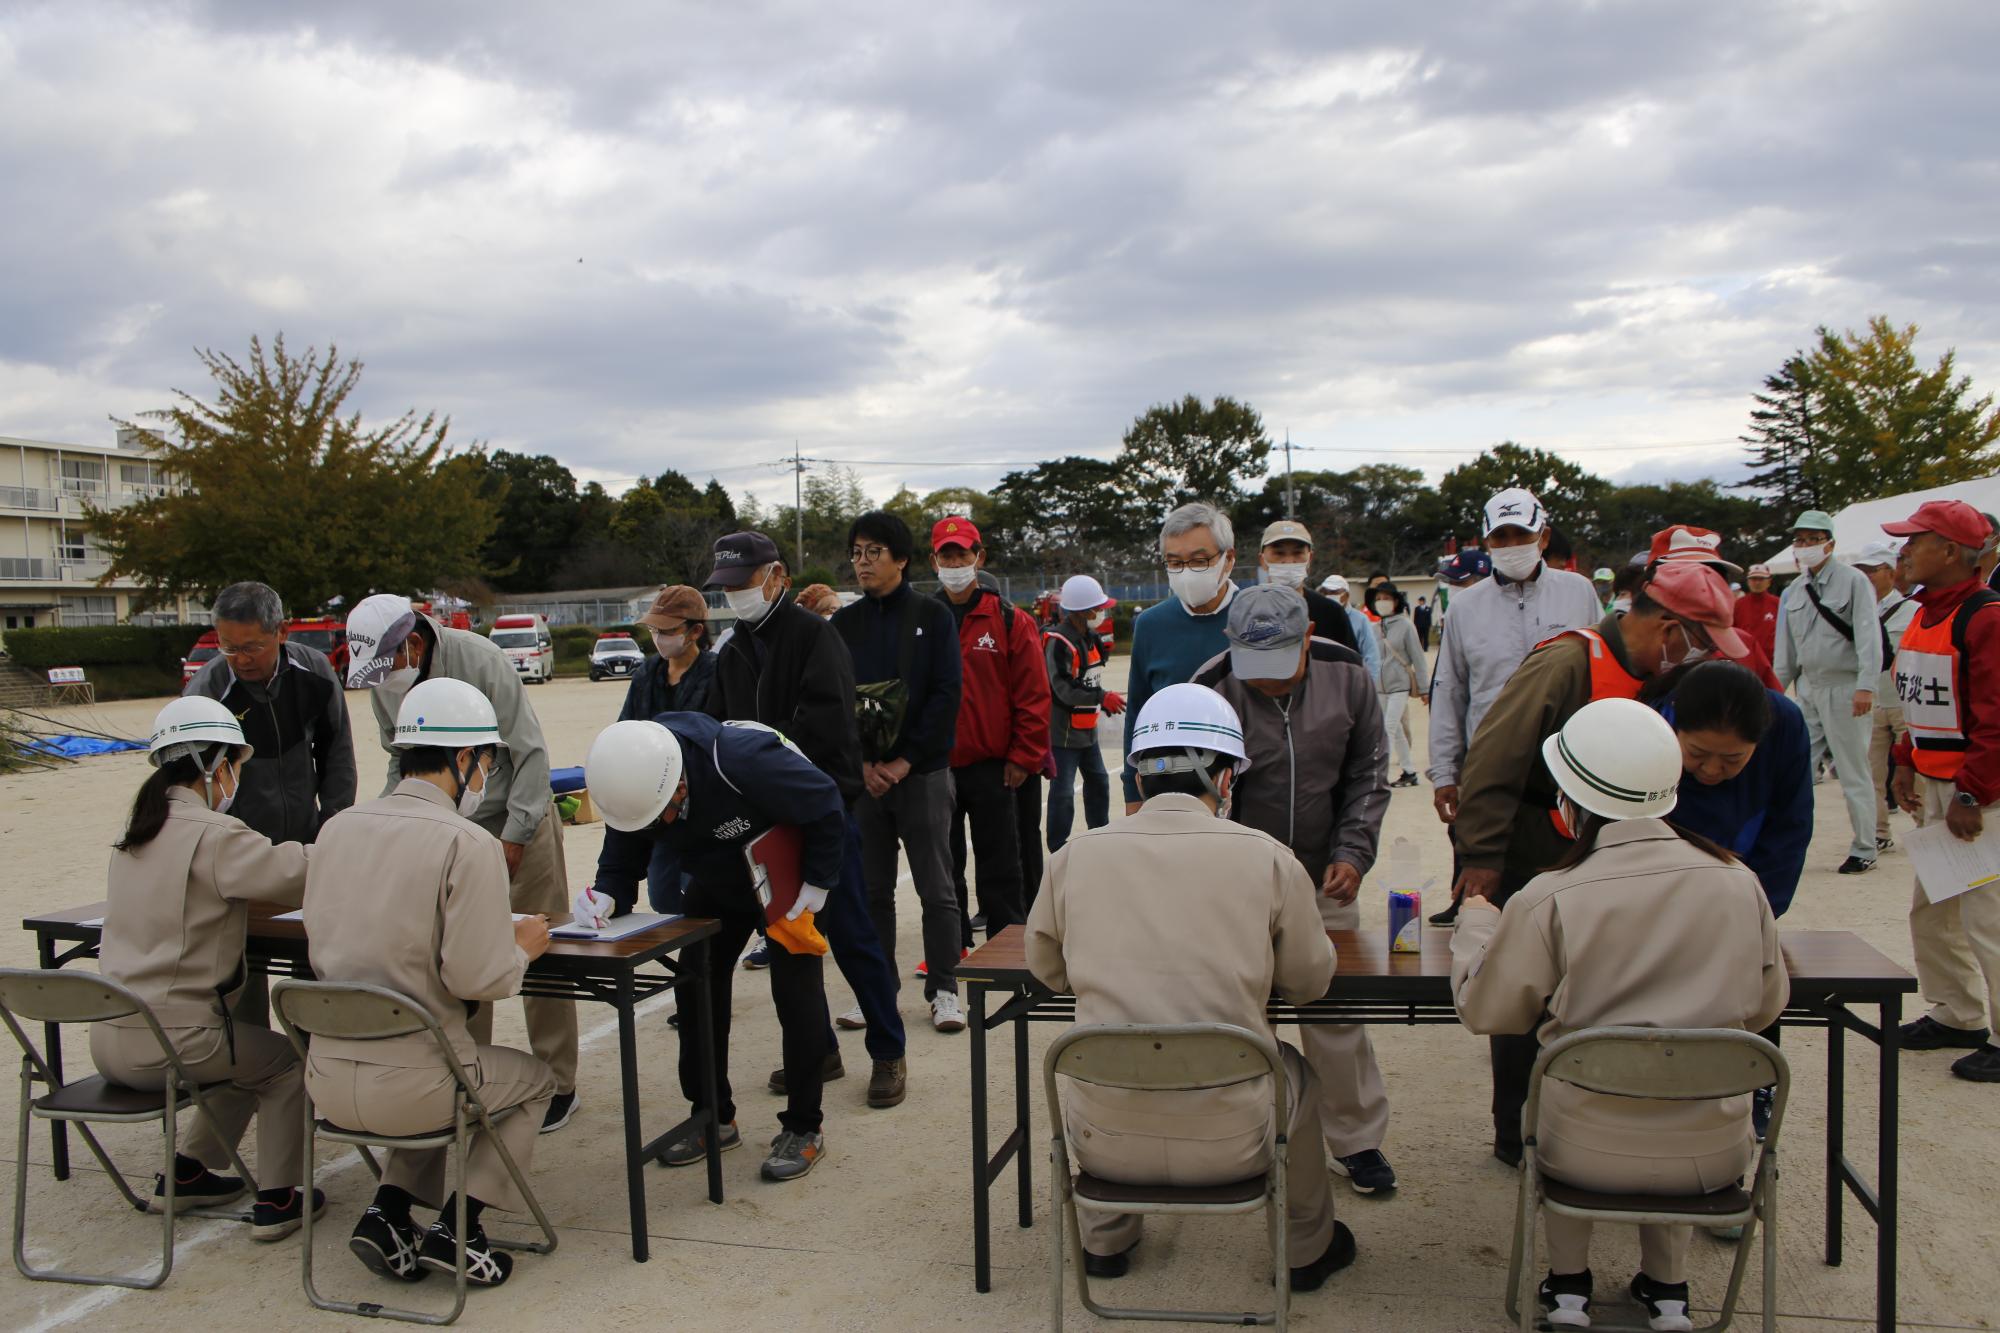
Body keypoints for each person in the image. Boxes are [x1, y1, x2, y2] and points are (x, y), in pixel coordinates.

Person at [1452, 697, 1787, 1332]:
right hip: (1713, 1155)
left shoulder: (1550, 894)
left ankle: (1570, 1288)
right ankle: (1668, 1294)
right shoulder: (1739, 881)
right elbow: (1768, 1004)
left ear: (1567, 801)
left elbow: (1488, 1008)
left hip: (1583, 1149)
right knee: (1676, 1093)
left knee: (1573, 1095)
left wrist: (1476, 928)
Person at [1025, 684, 1355, 1289]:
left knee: (1109, 1050)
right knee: (1296, 1077)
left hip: (1105, 1141)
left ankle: (1104, 1239)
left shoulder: (1074, 857)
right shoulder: (1270, 858)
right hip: (1235, 1137)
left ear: (1140, 774)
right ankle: (1305, 1248)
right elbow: (1309, 983)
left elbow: (1047, 970)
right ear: (1225, 778)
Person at [1449, 560, 1755, 1164]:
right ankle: (1518, 1134)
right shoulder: (1566, 663)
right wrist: (1481, 857)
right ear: (1670, 629)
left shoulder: (1659, 676)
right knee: (1525, 996)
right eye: (1702, 644)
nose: (1707, 660)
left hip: (1630, 860)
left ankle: (1618, 1125)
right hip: (1542, 855)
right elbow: (1492, 759)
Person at [305, 679, 556, 1287]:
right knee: (529, 1082)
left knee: (434, 1059)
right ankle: (460, 1228)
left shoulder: (337, 827)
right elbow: (478, 976)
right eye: (486, 763)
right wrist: (520, 950)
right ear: (464, 758)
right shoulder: (467, 841)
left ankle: (388, 1213)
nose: (486, 778)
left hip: (327, 1078)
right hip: (417, 1084)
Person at [671, 531, 911, 1108]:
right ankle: (818, 1049)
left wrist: (769, 782)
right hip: (755, 830)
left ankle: (888, 1050)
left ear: (775, 576)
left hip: (820, 814)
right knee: (784, 943)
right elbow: (710, 730)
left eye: (742, 584)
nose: (734, 596)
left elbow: (829, 736)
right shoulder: (732, 650)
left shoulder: (814, 638)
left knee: (853, 939)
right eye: (725, 588)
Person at [344, 594, 580, 1132]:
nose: (385, 681)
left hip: (519, 813)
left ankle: (559, 1082)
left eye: (391, 665)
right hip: (451, 824)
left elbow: (530, 753)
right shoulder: (388, 684)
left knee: (542, 949)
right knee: (461, 949)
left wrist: (516, 837)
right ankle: (472, 1074)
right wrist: (393, 820)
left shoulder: (481, 661)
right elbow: (400, 763)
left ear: (415, 643)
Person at [92, 696, 320, 1239]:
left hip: (112, 1037)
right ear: (216, 766)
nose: (235, 779)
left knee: (241, 1054)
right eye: (236, 767)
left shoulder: (137, 833)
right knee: (287, 1063)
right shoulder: (214, 835)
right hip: (172, 1039)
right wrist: (356, 843)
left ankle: (190, 1170)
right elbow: (294, 873)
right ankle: (280, 1197)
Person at [1193, 588, 1397, 1195]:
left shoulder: (1348, 675)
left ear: (1307, 637)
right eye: (1257, 672)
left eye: (1281, 668)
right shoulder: (1211, 686)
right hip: (1236, 885)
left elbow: (1369, 770)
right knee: (1235, 1012)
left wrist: (1352, 852)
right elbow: (1200, 788)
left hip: (1324, 875)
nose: (1270, 686)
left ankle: (1358, 1140)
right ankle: (1240, 1134)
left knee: (1333, 1010)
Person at [589, 713, 846, 1176]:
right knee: (697, 986)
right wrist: (607, 893)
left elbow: (824, 800)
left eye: (661, 815)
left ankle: (804, 1126)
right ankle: (712, 1117)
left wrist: (820, 881)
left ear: (681, 785)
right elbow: (625, 849)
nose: (657, 827)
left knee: (795, 992)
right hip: (718, 872)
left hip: (786, 865)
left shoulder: (741, 760)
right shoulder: (636, 784)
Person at [1425, 489, 1602, 925]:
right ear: (1486, 543)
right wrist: (1446, 773)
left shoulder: (1578, 592)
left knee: (1564, 898)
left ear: (1542, 537)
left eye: (1519, 534)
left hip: (1567, 771)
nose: (1509, 545)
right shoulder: (1465, 605)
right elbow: (1450, 690)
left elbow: (1602, 669)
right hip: (1490, 773)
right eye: (1499, 537)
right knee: (1485, 900)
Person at [830, 510, 968, 1032]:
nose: (863, 563)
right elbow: (835, 702)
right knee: (871, 890)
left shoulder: (932, 618)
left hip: (923, 773)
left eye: (874, 552)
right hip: (865, 781)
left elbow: (945, 695)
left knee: (937, 886)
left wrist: (904, 760)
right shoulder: (843, 625)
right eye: (856, 553)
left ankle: (945, 987)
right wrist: (863, 765)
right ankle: (876, 990)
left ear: (902, 559)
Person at [1884, 501, 2000, 1081]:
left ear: (1951, 551)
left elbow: (1996, 716)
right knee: (1933, 910)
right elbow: (1923, 700)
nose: (1904, 550)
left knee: (1989, 915)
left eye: (1916, 540)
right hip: (1938, 782)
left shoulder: (1986, 617)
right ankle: (1958, 1011)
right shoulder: (1925, 613)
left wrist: (1974, 792)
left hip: (1975, 790)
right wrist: (1906, 761)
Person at [931, 517, 1050, 953]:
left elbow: (1034, 693)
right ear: (934, 561)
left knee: (1001, 865)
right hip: (936, 767)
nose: (956, 563)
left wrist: (1024, 755)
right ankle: (951, 947)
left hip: (994, 767)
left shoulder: (1008, 619)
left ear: (979, 558)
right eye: (947, 555)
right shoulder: (923, 619)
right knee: (944, 866)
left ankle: (1009, 949)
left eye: (963, 554)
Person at [184, 580, 356, 847]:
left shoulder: (316, 672)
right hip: (237, 846)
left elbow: (337, 752)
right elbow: (192, 781)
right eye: (229, 648)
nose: (240, 660)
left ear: (282, 632)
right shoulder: (207, 692)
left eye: (252, 648)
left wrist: (332, 825)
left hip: (307, 840)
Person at [1773, 509, 1883, 874]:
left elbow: (1869, 636)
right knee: (1795, 767)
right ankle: (1783, 842)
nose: (1804, 547)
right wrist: (1775, 692)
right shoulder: (1793, 590)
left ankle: (1865, 845)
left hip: (1846, 686)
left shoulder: (1853, 581)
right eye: (1799, 540)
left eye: (1812, 539)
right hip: (1809, 688)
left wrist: (1866, 686)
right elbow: (1785, 650)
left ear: (1830, 544)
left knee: (1853, 771)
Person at [1121, 501, 1240, 814]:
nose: (1186, 572)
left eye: (1199, 561)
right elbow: (1137, 712)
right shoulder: (1151, 624)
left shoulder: (1252, 616)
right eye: (1174, 563)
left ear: (1228, 559)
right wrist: (1131, 792)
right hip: (1172, 790)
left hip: (1250, 787)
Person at [1045, 574, 1124, 853]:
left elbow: (1090, 677)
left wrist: (1101, 697)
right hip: (1063, 734)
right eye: (1097, 608)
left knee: (1099, 781)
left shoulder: (1090, 638)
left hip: (1087, 729)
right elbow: (1062, 690)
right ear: (1081, 611)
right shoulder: (1059, 642)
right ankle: (1058, 847)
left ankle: (1099, 836)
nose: (1101, 613)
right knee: (1063, 791)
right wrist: (1102, 698)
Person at [1849, 541, 1919, 854]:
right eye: (1860, 571)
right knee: (1869, 773)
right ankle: (1877, 831)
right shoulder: (1852, 611)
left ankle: (1925, 826)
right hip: (1870, 702)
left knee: (1917, 774)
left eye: (1871, 571)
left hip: (1906, 704)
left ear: (1890, 573)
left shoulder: (1914, 609)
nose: (1866, 577)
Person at [1258, 520, 1360, 653]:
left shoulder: (1332, 613)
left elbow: (1352, 668)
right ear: (1262, 560)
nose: (1289, 561)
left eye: (1297, 553)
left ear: (1310, 559)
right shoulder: (1247, 612)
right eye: (1279, 553)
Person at [1370, 584, 1427, 788]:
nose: (1382, 602)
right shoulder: (1374, 628)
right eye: (1379, 598)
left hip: (1400, 685)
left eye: (1387, 598)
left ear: (1396, 601)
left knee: (1388, 727)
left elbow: (1418, 658)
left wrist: (1424, 688)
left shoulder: (1405, 625)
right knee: (1397, 732)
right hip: (1379, 686)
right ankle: (1409, 771)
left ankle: (1379, 774)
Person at [1317, 574, 1382, 685]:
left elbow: (1371, 655)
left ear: (1346, 595)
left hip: (1352, 680)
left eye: (1335, 592)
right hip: (1324, 680)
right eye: (1326, 592)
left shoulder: (1360, 619)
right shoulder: (1317, 617)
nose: (1330, 595)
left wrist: (1368, 685)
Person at [1733, 564, 1781, 663]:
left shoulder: (1778, 603)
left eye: (1761, 579)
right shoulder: (1738, 604)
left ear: (1769, 581)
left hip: (1772, 661)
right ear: (1748, 581)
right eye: (1754, 579)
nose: (1757, 582)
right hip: (1746, 659)